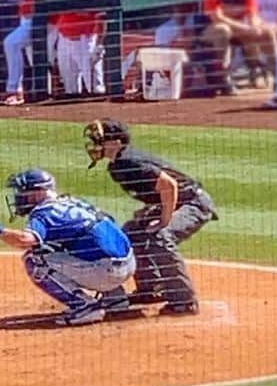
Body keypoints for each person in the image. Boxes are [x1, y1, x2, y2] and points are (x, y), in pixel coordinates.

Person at [0, 168, 137, 326]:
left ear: (39, 192)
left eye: (24, 192)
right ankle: (115, 298)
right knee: (72, 244)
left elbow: (25, 240)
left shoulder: (44, 213)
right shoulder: (72, 201)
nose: (19, 197)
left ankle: (85, 307)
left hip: (107, 273)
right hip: (129, 263)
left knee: (34, 259)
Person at [82, 118, 215, 314]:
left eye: (101, 140)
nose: (96, 145)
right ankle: (151, 288)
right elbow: (157, 190)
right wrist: (152, 209)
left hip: (193, 203)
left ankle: (184, 300)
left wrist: (164, 219)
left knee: (160, 235)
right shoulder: (118, 165)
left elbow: (169, 185)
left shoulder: (129, 161)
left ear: (116, 143)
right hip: (177, 201)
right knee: (132, 231)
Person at [195, 0, 262, 95]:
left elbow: (253, 14)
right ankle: (223, 76)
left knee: (254, 32)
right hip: (209, 31)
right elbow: (217, 19)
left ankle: (254, 70)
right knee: (223, 30)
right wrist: (245, 27)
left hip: (234, 29)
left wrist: (254, 26)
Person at [54, 0, 108, 97]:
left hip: (85, 40)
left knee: (95, 89)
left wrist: (99, 45)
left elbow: (103, 19)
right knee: (70, 88)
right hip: (64, 38)